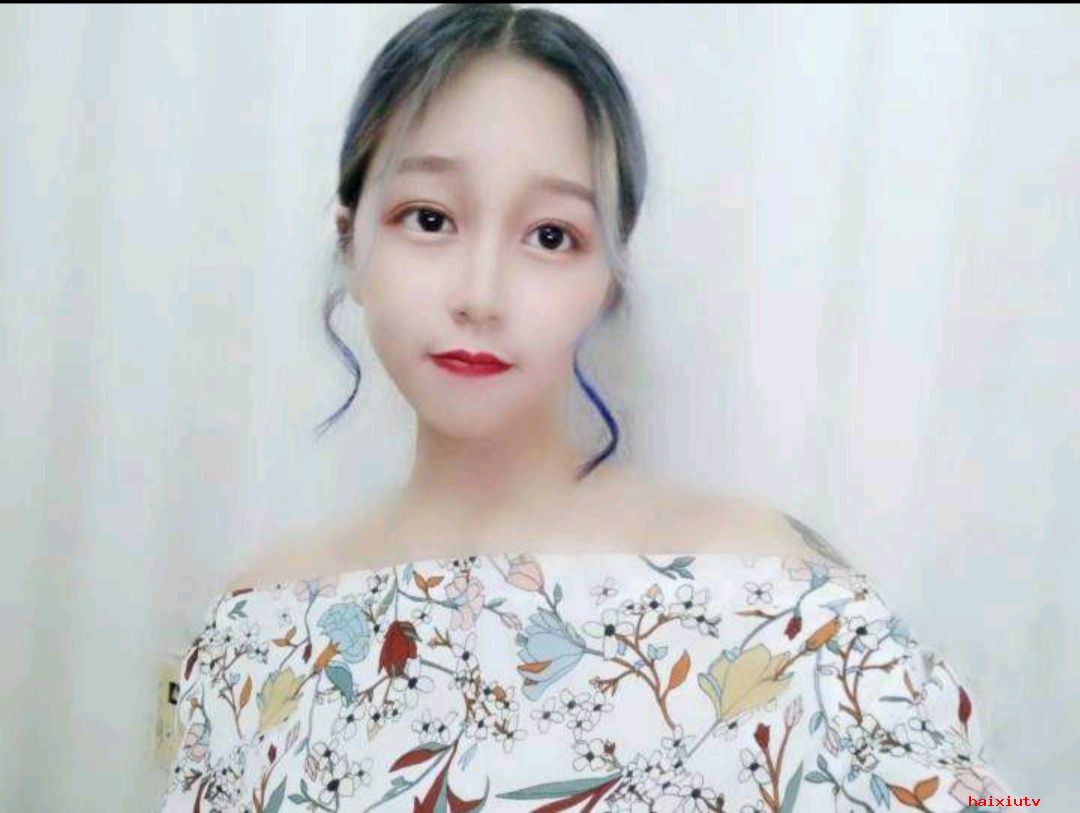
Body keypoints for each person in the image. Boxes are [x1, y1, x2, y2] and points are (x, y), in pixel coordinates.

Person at [159, 5, 1018, 811]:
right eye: (429, 218)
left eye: (550, 236)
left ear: (608, 276)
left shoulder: (768, 598)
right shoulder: (256, 622)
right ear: (351, 240)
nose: (480, 294)